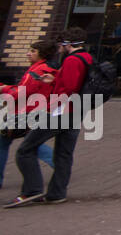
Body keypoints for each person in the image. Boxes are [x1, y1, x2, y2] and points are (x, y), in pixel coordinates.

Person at [6, 29, 93, 207]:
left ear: (69, 44)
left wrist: (49, 106)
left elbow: (69, 87)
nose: (60, 49)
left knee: (25, 150)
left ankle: (32, 190)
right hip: (77, 111)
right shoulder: (87, 58)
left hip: (61, 111)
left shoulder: (72, 60)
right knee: (63, 154)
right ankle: (56, 193)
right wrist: (53, 79)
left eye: (62, 45)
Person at [0, 41, 58, 189]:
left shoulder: (36, 71)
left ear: (41, 53)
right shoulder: (47, 68)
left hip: (26, 111)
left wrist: (4, 90)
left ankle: (59, 166)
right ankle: (60, 166)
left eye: (32, 51)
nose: (28, 53)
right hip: (39, 110)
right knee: (32, 142)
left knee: (3, 142)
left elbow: (22, 92)